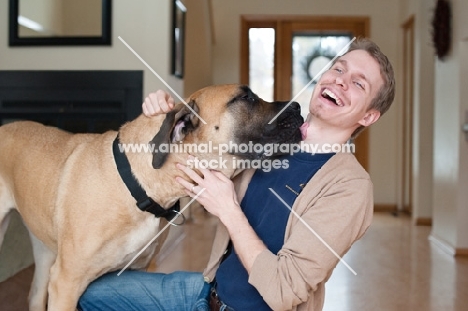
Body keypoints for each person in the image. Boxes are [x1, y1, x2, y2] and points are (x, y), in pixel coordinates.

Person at [78, 37, 395, 311]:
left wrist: (229, 210)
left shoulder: (350, 188)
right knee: (88, 293)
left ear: (369, 115)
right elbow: (200, 165)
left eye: (358, 83)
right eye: (338, 68)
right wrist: (166, 117)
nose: (341, 80)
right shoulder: (268, 138)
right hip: (206, 293)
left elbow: (285, 290)